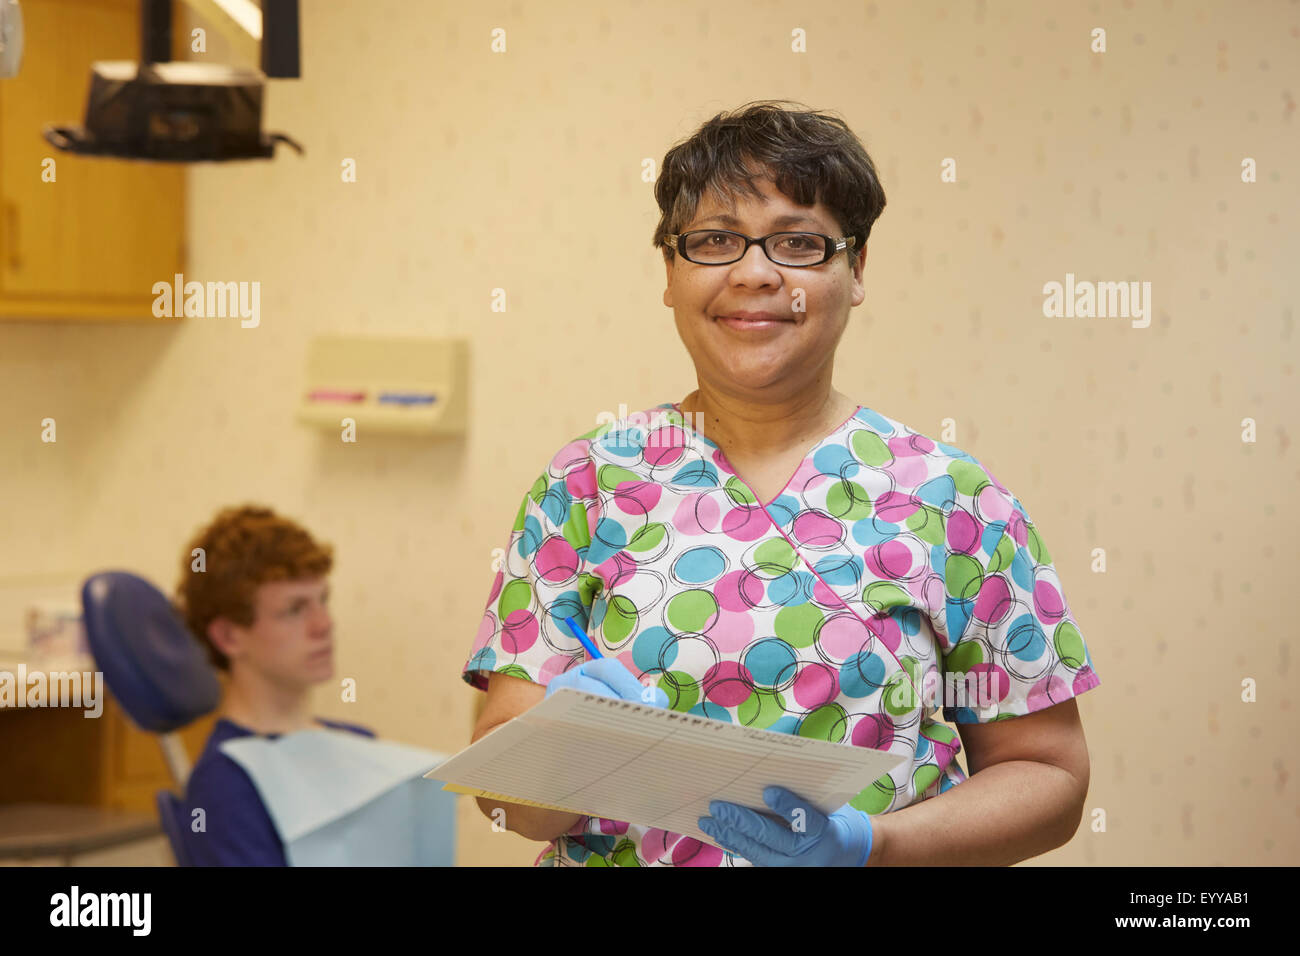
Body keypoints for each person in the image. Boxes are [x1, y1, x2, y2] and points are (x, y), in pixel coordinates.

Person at [463, 99, 1100, 867]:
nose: (755, 274)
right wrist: (571, 752)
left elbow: (1047, 776)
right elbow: (503, 797)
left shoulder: (955, 500)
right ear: (669, 271)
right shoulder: (586, 484)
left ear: (856, 268)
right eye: (714, 241)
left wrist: (875, 845)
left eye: (798, 242)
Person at [171, 504, 373, 866]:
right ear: (229, 636)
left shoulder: (360, 747)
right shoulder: (226, 786)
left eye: (322, 601)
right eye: (295, 610)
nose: (323, 625)